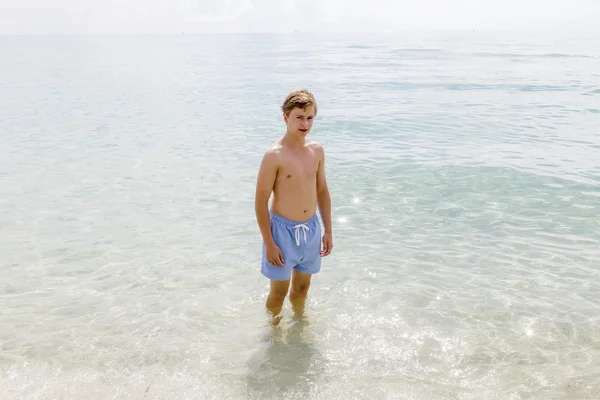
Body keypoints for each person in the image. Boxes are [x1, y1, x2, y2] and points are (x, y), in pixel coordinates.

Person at [254, 89, 333, 323]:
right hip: (281, 233)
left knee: (302, 289)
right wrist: (269, 243)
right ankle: (273, 333)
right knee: (278, 293)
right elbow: (260, 201)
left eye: (310, 118)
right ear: (285, 117)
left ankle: (299, 325)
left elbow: (322, 191)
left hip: (310, 229)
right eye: (299, 117)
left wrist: (327, 230)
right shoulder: (274, 156)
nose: (305, 123)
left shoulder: (316, 150)